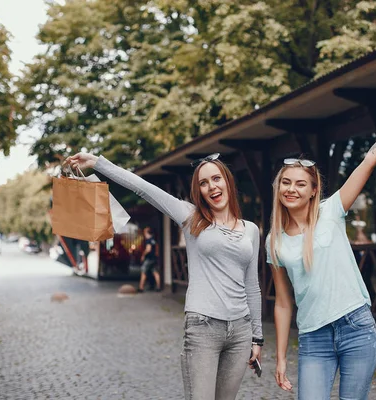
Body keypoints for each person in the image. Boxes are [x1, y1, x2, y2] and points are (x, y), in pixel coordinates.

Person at [65, 152, 263, 400]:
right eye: (203, 183)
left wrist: (257, 337)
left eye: (216, 178)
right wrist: (98, 164)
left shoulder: (251, 230)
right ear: (199, 190)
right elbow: (144, 188)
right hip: (203, 328)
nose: (212, 186)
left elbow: (252, 286)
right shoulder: (192, 218)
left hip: (241, 333)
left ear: (228, 182)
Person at [266, 105, 376, 400]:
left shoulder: (332, 211)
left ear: (314, 190)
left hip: (356, 328)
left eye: (300, 184)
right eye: (286, 183)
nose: (292, 189)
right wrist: (280, 357)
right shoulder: (273, 240)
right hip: (314, 337)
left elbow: (369, 161)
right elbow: (283, 303)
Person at [138, 226, 160, 292]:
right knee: (155, 272)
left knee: (143, 271)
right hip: (154, 258)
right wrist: (156, 253)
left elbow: (148, 249)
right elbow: (157, 247)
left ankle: (141, 287)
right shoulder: (153, 239)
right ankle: (158, 287)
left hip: (149, 258)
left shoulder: (148, 240)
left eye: (144, 232)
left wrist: (143, 255)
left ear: (146, 232)